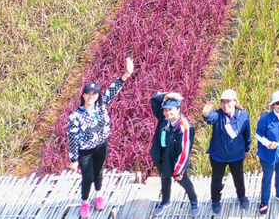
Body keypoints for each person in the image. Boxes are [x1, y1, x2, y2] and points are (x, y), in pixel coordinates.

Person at [67, 57, 133, 218]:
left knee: (98, 172)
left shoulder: (101, 105)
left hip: (101, 145)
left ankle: (98, 194)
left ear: (97, 94)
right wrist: (74, 159)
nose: (91, 96)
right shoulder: (75, 116)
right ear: (83, 95)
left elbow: (114, 88)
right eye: (88, 94)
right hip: (85, 151)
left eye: (94, 93)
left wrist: (127, 73)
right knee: (87, 177)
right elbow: (73, 139)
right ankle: (84, 201)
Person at [202, 89, 252, 215]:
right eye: (223, 102)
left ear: (235, 102)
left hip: (236, 155)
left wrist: (247, 150)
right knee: (216, 180)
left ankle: (242, 197)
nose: (225, 105)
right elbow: (209, 118)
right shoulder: (218, 115)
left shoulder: (244, 115)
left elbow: (247, 135)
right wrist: (205, 112)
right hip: (218, 156)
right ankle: (215, 201)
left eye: (228, 102)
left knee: (239, 178)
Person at [149, 91, 198, 218]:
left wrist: (178, 170)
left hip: (176, 160)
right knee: (164, 179)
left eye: (171, 110)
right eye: (165, 110)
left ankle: (193, 201)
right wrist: (166, 96)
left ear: (178, 109)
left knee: (183, 181)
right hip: (162, 157)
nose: (167, 113)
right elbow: (154, 101)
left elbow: (184, 150)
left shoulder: (185, 127)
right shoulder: (163, 119)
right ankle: (165, 201)